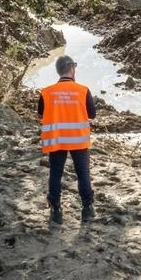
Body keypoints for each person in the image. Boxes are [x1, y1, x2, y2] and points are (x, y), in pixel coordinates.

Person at [38, 55, 97, 224]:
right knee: (83, 174)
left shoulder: (46, 92)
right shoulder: (83, 90)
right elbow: (92, 114)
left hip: (56, 140)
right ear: (71, 68)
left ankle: (56, 210)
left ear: (58, 71)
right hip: (78, 139)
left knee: (55, 174)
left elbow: (41, 112)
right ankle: (87, 208)